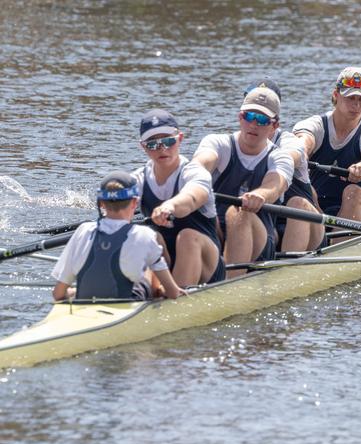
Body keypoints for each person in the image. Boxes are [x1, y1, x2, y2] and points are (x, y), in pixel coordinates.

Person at [191, 87, 294, 278]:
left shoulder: (280, 157)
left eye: (262, 119)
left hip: (259, 240)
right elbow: (201, 163)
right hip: (215, 229)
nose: (253, 124)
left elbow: (275, 184)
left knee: (238, 211)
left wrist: (260, 195)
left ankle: (229, 284)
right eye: (249, 116)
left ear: (274, 125)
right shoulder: (218, 143)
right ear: (240, 117)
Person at [52, 171, 185, 301]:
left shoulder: (83, 230)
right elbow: (173, 293)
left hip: (85, 299)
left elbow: (58, 294)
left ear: (102, 204)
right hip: (130, 301)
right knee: (149, 264)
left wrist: (74, 293)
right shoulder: (145, 234)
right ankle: (156, 292)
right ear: (134, 202)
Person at [133, 109, 223, 287]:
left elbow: (192, 198)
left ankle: (176, 299)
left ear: (179, 138)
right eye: (153, 144)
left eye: (168, 141)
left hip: (207, 264)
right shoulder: (138, 179)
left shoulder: (195, 173)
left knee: (187, 236)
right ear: (143, 146)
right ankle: (146, 293)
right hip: (164, 261)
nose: (162, 148)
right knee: (147, 236)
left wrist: (170, 207)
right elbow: (118, 203)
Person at [293, 67, 361, 227]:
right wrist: (297, 153)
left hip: (354, 206)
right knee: (306, 193)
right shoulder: (315, 125)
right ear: (336, 95)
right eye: (350, 98)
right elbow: (303, 142)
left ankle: (340, 244)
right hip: (314, 204)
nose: (356, 105)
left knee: (353, 192)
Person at [244, 78, 324, 253]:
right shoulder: (232, 143)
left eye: (263, 116)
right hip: (267, 227)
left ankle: (289, 269)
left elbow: (289, 157)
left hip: (305, 224)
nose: (255, 121)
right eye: (250, 114)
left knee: (297, 203)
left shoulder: (290, 143)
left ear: (276, 118)